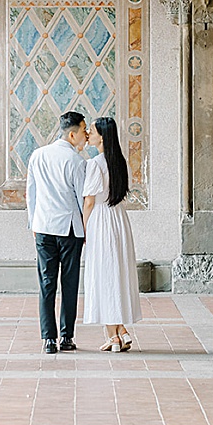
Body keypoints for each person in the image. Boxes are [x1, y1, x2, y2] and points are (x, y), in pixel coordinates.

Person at [27, 111, 88, 354]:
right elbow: (83, 199)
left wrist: (32, 223)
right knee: (69, 283)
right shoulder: (76, 162)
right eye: (83, 131)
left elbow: (30, 193)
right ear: (72, 134)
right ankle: (66, 336)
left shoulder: (38, 155)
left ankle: (48, 339)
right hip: (70, 229)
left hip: (42, 227)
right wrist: (87, 230)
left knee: (46, 283)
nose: (85, 136)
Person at [80, 116, 141, 352]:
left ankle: (113, 336)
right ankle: (121, 330)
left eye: (92, 131)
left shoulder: (95, 163)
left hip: (101, 220)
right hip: (118, 219)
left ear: (102, 136)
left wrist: (84, 229)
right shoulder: (120, 162)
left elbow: (89, 201)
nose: (89, 135)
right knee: (116, 273)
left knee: (103, 275)